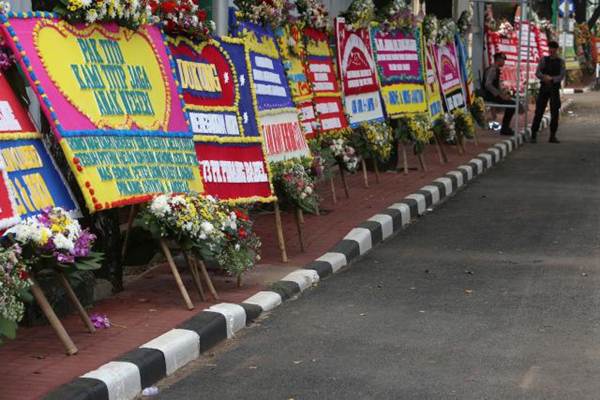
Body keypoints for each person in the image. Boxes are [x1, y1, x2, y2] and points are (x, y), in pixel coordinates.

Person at [530, 41, 566, 143]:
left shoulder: (561, 61)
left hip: (554, 89)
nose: (551, 50)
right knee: (539, 111)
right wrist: (544, 77)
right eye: (550, 48)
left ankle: (552, 135)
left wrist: (552, 79)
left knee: (555, 113)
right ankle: (533, 134)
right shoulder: (544, 60)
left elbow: (562, 75)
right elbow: (537, 72)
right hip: (544, 88)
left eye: (553, 48)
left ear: (556, 49)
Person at [482, 52, 516, 136]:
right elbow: (488, 85)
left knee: (512, 102)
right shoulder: (493, 69)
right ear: (498, 60)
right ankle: (505, 128)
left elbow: (496, 85)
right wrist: (500, 95)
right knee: (512, 104)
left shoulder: (496, 69)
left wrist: (504, 94)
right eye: (503, 60)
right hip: (490, 95)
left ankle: (505, 127)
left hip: (494, 95)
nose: (504, 62)